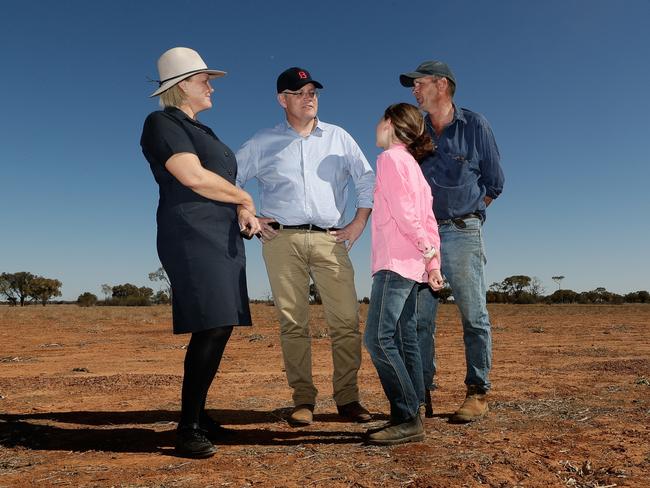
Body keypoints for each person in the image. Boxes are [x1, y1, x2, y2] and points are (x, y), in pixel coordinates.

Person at [236, 67, 375, 426]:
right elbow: (230, 177)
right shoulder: (263, 141)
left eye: (313, 91)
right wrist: (246, 210)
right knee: (293, 323)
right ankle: (303, 401)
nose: (309, 97)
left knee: (345, 320)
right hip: (281, 239)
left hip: (331, 239)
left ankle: (348, 398)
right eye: (299, 92)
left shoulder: (339, 138)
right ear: (282, 100)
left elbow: (367, 179)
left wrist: (359, 222)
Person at [140, 47, 261, 458]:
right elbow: (191, 176)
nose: (211, 85)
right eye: (203, 79)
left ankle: (199, 415)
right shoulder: (161, 122)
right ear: (179, 86)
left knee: (219, 323)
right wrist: (244, 196)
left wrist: (244, 207)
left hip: (221, 234)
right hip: (191, 233)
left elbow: (220, 182)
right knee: (210, 324)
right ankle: (187, 428)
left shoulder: (204, 131)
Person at [399, 61, 504, 423]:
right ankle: (421, 391)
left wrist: (467, 214)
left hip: (462, 232)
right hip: (422, 237)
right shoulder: (414, 130)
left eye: (419, 83)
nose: (414, 91)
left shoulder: (475, 125)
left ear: (442, 84)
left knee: (473, 315)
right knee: (419, 320)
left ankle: (478, 391)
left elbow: (494, 182)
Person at [364, 103, 444, 445]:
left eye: (380, 118)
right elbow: (428, 219)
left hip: (395, 263)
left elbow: (408, 216)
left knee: (378, 338)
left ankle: (407, 415)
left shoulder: (391, 160)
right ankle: (410, 411)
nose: (376, 125)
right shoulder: (414, 168)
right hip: (412, 266)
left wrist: (427, 251)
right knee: (404, 336)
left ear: (391, 124)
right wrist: (432, 264)